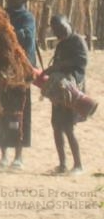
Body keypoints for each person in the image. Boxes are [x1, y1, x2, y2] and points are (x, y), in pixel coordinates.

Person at [0, 0, 36, 170]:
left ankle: (18, 155)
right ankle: (3, 154)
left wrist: (7, 31)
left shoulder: (27, 18)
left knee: (19, 112)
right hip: (2, 68)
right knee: (0, 111)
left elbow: (26, 40)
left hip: (20, 71)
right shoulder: (1, 15)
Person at [45, 14, 88, 175]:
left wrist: (59, 68)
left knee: (68, 128)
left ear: (69, 24)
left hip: (72, 91)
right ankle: (62, 164)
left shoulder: (78, 41)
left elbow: (82, 63)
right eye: (56, 31)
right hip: (59, 92)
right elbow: (56, 64)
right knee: (56, 126)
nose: (59, 33)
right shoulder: (61, 45)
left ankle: (78, 165)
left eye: (62, 28)